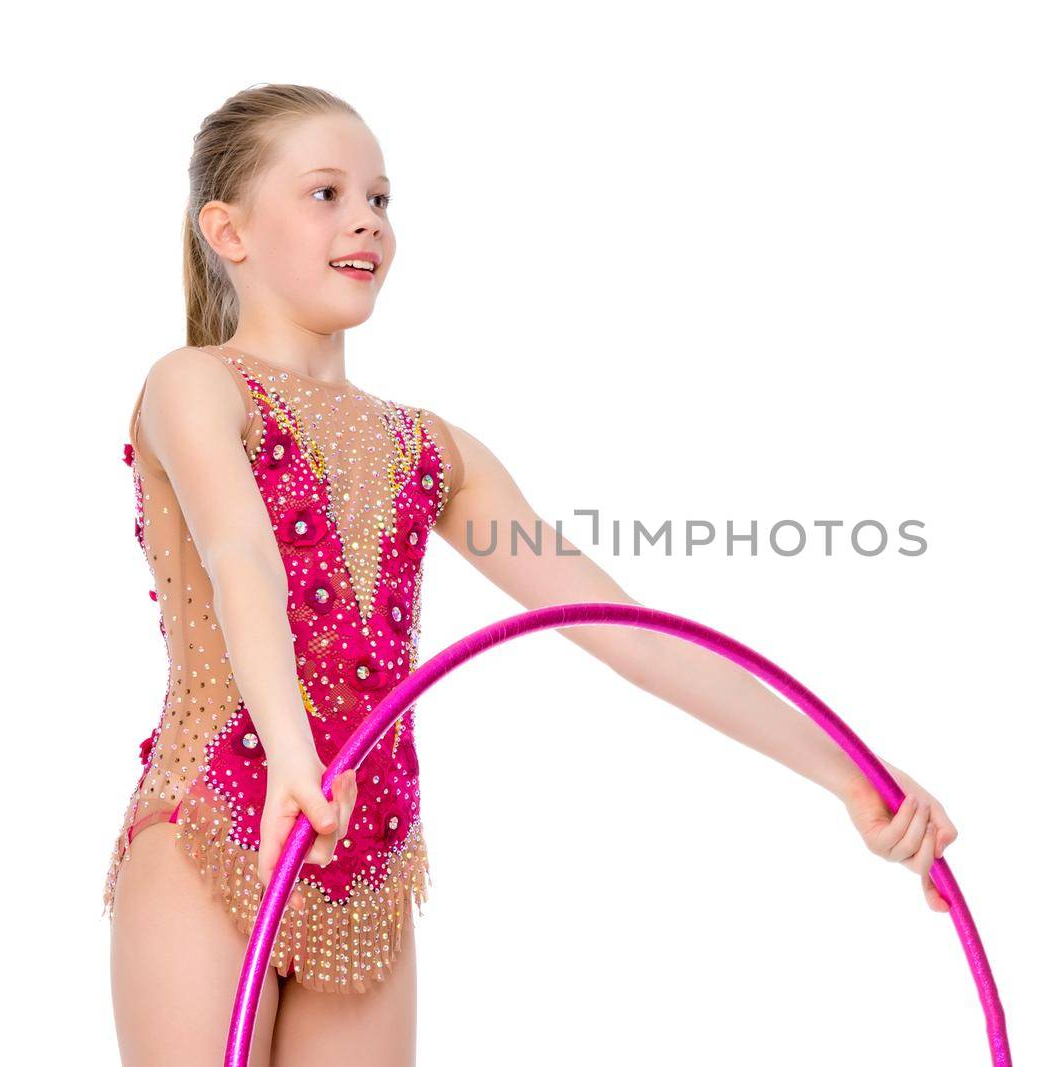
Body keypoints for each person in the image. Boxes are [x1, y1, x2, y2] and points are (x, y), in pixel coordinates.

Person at [104, 83, 957, 1067]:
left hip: (365, 867)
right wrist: (293, 757)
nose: (367, 222)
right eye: (326, 193)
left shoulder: (431, 449)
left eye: (380, 198)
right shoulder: (194, 383)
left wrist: (848, 771)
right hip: (217, 825)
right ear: (230, 230)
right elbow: (240, 554)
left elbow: (625, 629)